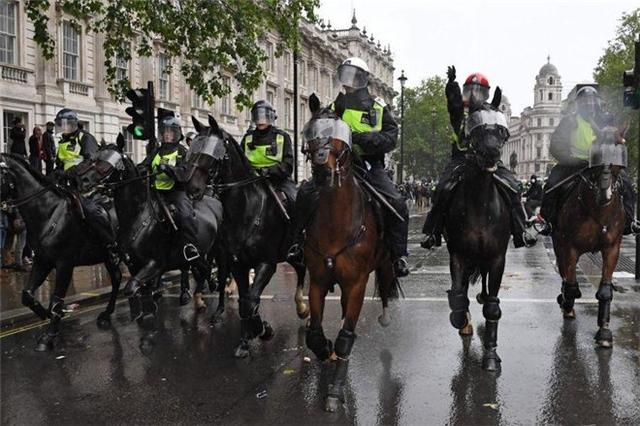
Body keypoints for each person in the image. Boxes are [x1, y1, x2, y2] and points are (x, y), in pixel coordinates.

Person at [288, 57, 410, 277]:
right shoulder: (336, 106)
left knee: (397, 203)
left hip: (369, 165)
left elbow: (391, 137)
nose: (348, 81)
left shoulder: (378, 106)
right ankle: (297, 244)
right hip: (339, 163)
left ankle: (398, 255)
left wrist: (363, 139)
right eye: (345, 75)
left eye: (353, 76)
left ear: (362, 79)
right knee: (305, 193)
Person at [421, 66, 536, 249]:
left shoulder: (490, 113)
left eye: (479, 91)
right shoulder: (460, 111)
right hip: (462, 159)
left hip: (488, 159)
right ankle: (433, 232)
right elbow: (453, 103)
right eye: (471, 90)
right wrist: (451, 85)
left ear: (486, 94)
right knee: (442, 189)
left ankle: (521, 230)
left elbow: (499, 133)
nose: (475, 95)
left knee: (513, 187)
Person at [540, 86, 640, 235]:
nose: (589, 104)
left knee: (627, 185)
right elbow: (556, 144)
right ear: (579, 104)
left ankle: (630, 221)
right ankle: (547, 221)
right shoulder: (570, 120)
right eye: (585, 101)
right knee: (552, 184)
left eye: (592, 101)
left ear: (597, 102)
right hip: (575, 164)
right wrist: (570, 159)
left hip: (602, 163)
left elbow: (616, 139)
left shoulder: (607, 119)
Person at [54, 108, 123, 264]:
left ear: (73, 124)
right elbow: (59, 164)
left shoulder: (85, 138)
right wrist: (56, 174)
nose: (63, 127)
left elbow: (90, 161)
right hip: (66, 185)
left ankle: (112, 244)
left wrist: (72, 172)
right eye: (60, 124)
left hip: (86, 185)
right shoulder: (62, 143)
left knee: (91, 211)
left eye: (65, 124)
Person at [142, 115, 201, 263]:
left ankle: (190, 246)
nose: (167, 134)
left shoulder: (182, 151)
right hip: (156, 192)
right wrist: (140, 170)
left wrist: (168, 169)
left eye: (170, 131)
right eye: (164, 131)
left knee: (186, 215)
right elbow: (145, 164)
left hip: (175, 192)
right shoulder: (157, 150)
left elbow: (184, 174)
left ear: (176, 133)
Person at [240, 100, 297, 207]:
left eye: (264, 117)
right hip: (252, 181)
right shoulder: (247, 138)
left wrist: (269, 171)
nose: (261, 120)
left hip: (278, 181)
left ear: (270, 118)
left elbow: (288, 165)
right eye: (258, 117)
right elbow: (239, 162)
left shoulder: (282, 137)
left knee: (294, 200)